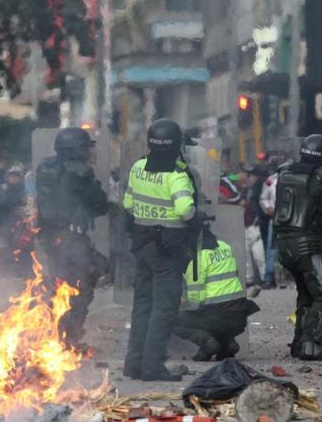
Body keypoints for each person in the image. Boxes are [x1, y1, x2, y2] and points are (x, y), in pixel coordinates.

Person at [122, 118, 199, 382]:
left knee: (142, 305)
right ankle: (152, 366)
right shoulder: (176, 175)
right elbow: (185, 210)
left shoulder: (138, 167)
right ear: (176, 145)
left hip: (142, 245)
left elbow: (129, 204)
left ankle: (134, 364)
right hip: (167, 250)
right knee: (164, 308)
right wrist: (194, 217)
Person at [273, 134, 322, 362]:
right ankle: (312, 345)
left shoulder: (285, 173)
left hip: (284, 245)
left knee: (306, 296)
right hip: (308, 245)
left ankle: (299, 343)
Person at [35, 129, 108, 348]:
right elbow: (99, 205)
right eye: (85, 148)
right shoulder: (81, 172)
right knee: (79, 287)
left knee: (58, 285)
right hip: (71, 238)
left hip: (49, 237)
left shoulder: (45, 167)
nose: (88, 152)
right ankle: (69, 338)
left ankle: (57, 335)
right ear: (76, 150)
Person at [173, 229, 260, 361]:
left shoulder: (198, 259)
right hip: (238, 317)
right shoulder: (225, 247)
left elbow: (196, 300)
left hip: (218, 317)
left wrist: (181, 302)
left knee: (170, 318)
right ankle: (228, 344)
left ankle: (207, 342)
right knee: (214, 314)